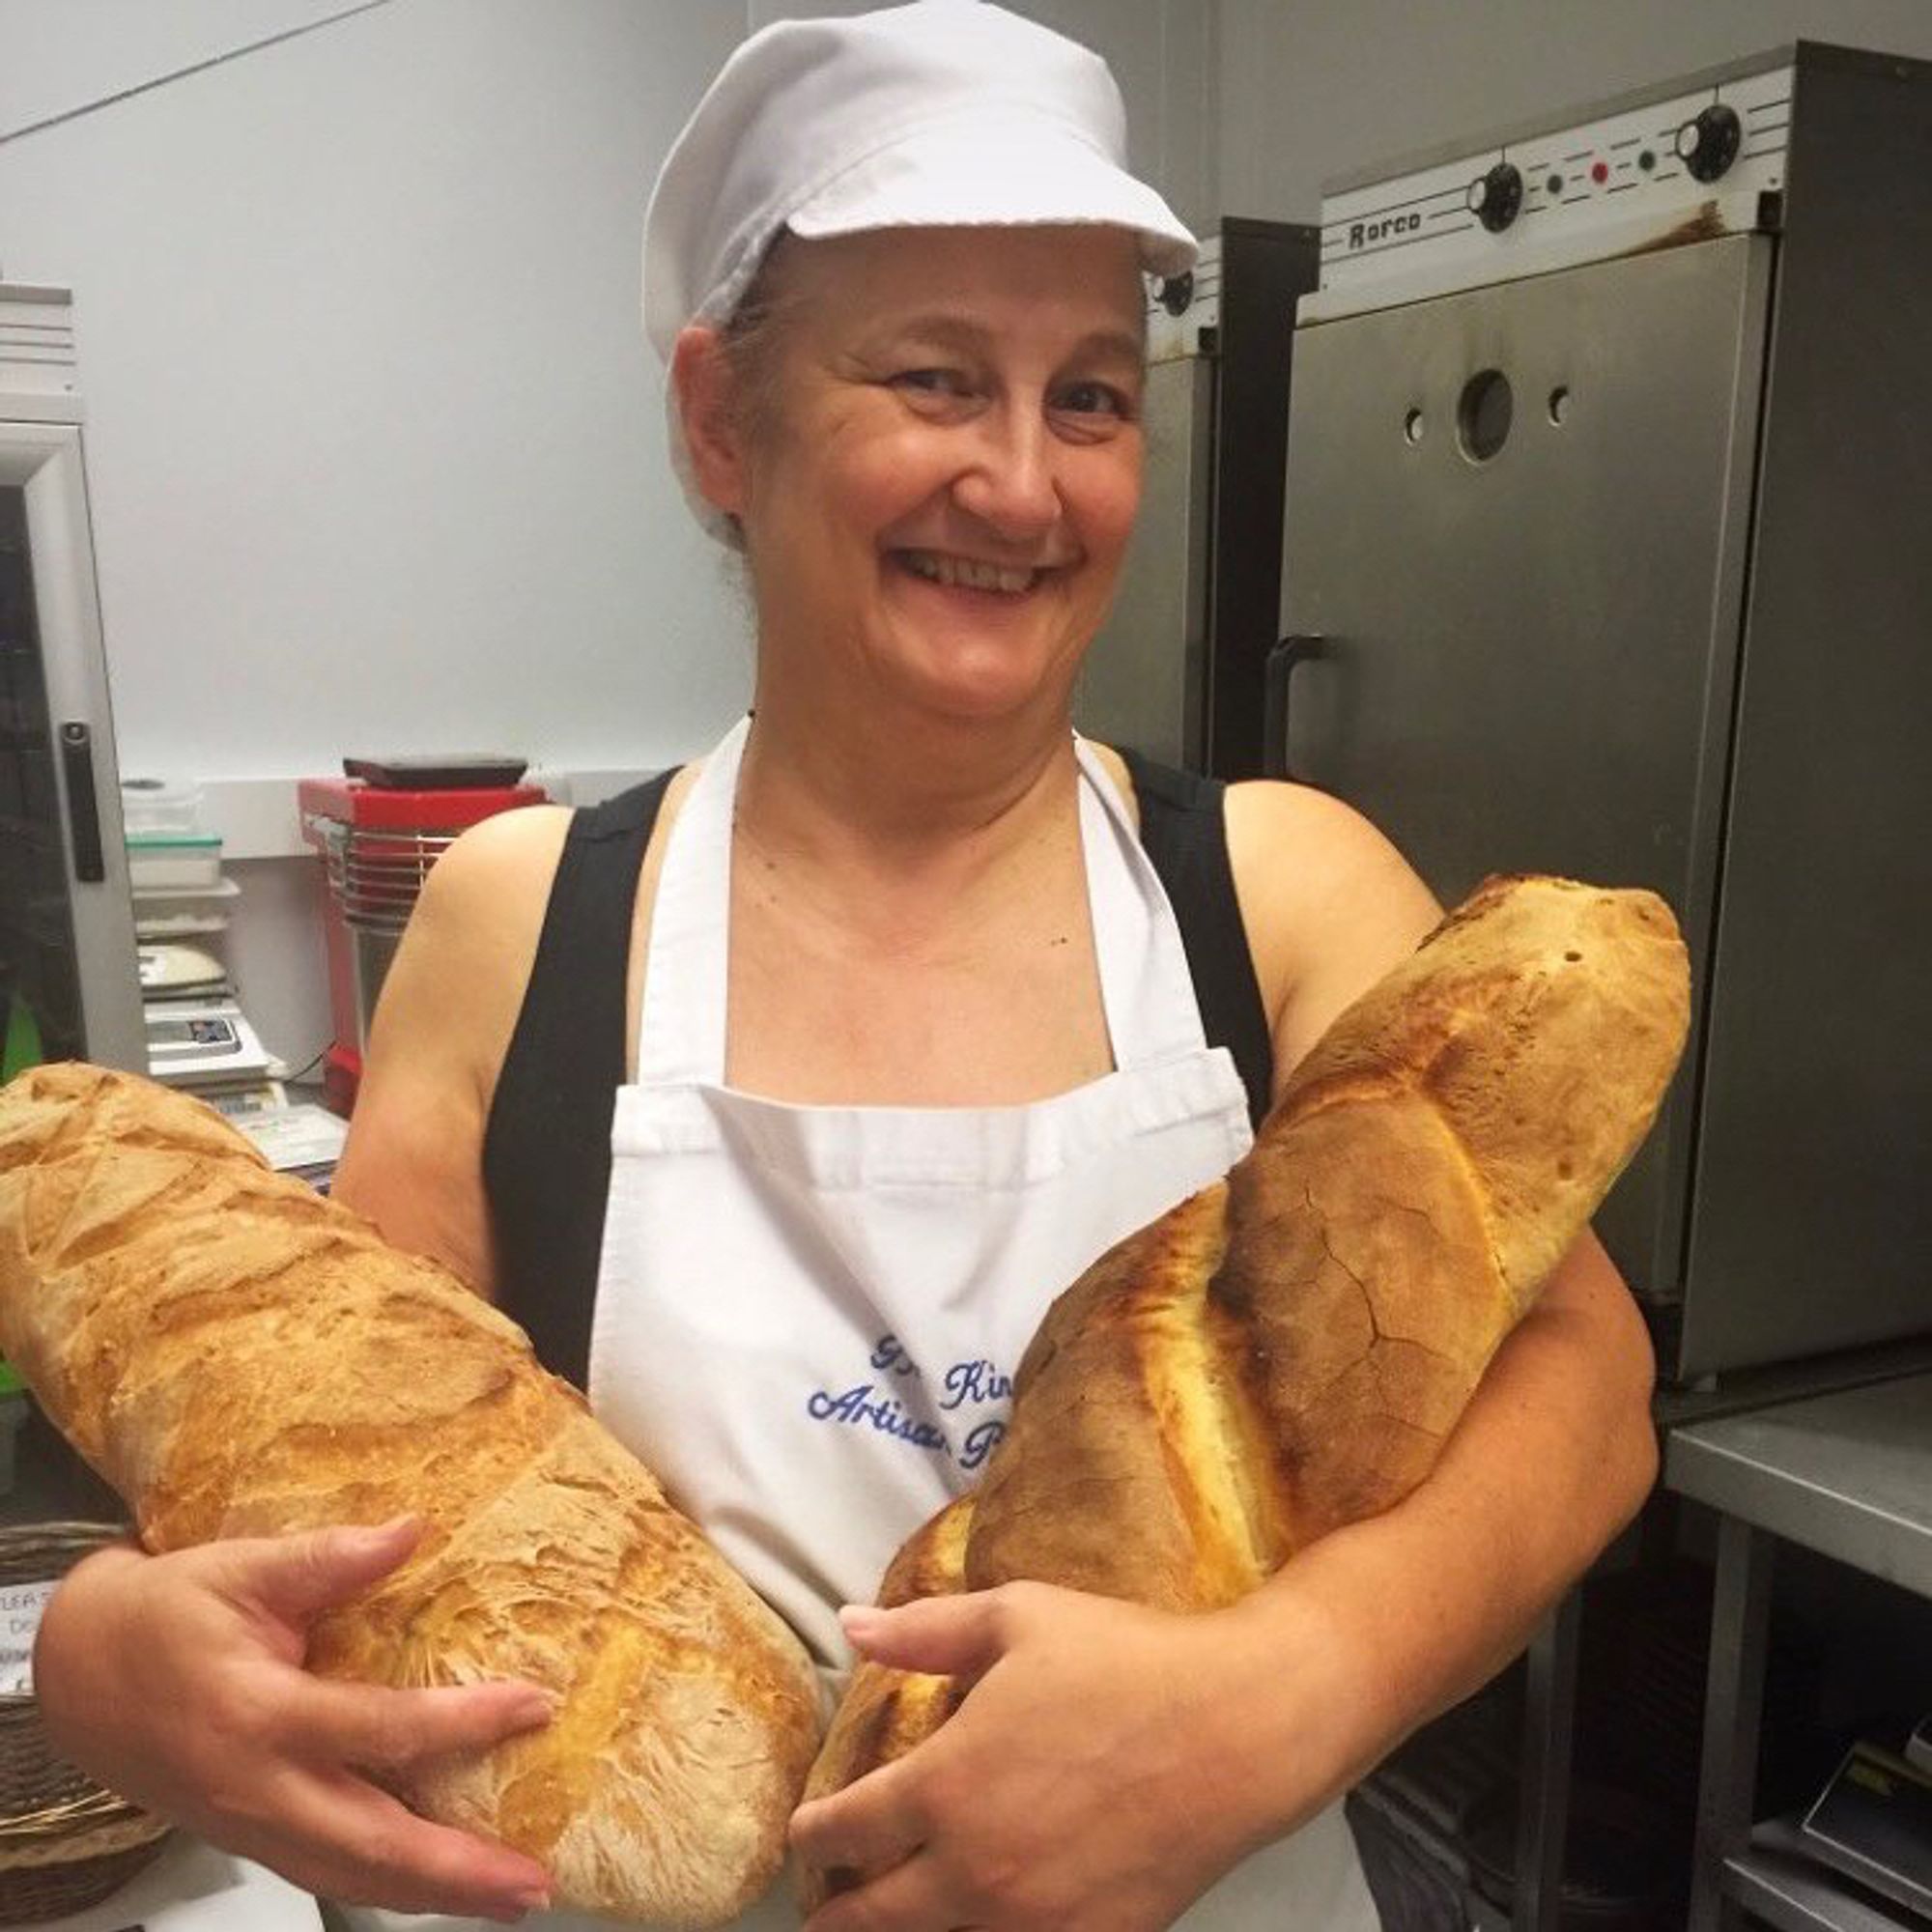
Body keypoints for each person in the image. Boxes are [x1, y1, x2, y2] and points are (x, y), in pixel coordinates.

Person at [32, 5, 1659, 1928]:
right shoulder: (526, 918)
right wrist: (104, 1652)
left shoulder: (1273, 889)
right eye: (936, 380)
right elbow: (374, 1481)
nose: (1026, 486)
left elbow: (1587, 1381)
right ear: (722, 418)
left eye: (1091, 397)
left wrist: (1292, 1693)